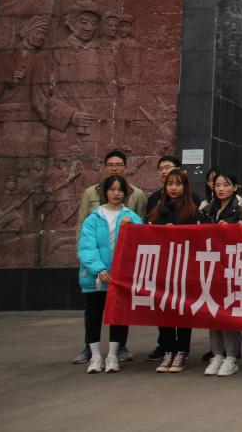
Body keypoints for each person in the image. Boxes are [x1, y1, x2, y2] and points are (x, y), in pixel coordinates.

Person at [73, 149, 147, 365]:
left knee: (119, 313)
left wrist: (132, 227)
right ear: (104, 192)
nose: (116, 193)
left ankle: (115, 353)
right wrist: (99, 269)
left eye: (119, 190)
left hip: (120, 275)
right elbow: (87, 245)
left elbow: (142, 240)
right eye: (112, 189)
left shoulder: (131, 216)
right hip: (96, 275)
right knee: (93, 313)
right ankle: (94, 354)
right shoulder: (93, 217)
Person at [145, 168, 199, 373]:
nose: (173, 188)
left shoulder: (193, 212)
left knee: (183, 311)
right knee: (164, 310)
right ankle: (168, 349)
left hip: (185, 270)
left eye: (178, 184)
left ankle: (182, 351)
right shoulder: (156, 211)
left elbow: (199, 241)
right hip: (162, 270)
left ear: (185, 187)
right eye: (170, 184)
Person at [198, 170, 242, 377]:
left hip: (231, 266)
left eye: (226, 185)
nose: (221, 189)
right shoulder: (206, 210)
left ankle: (231, 356)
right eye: (217, 185)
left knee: (229, 311)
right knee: (212, 311)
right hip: (210, 265)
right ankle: (217, 353)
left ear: (234, 188)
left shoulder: (240, 211)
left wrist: (233, 228)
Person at [140, 154, 182, 363]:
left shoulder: (192, 203)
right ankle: (165, 346)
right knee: (162, 304)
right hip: (162, 262)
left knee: (182, 307)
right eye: (161, 169)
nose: (165, 172)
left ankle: (181, 350)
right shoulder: (154, 201)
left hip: (183, 263)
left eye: (169, 167)